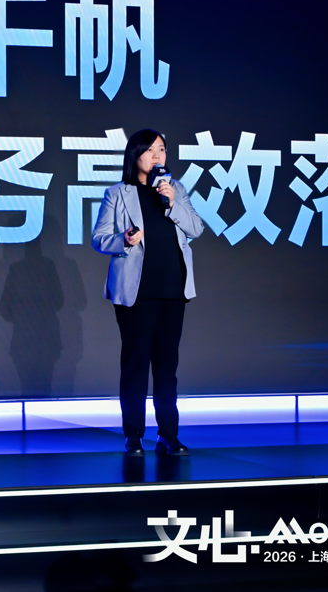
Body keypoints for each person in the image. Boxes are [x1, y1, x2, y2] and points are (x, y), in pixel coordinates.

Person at [91, 129, 204, 457]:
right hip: (136, 293)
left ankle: (169, 435)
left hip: (173, 289)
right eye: (151, 150)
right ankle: (134, 435)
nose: (158, 156)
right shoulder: (117, 193)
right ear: (135, 155)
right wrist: (124, 240)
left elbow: (196, 229)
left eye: (162, 150)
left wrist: (172, 203)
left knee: (167, 367)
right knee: (136, 364)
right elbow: (99, 238)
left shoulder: (175, 189)